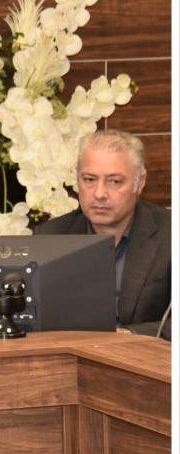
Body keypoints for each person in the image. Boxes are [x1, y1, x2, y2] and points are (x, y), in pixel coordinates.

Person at [36, 129, 170, 337]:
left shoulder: (170, 235)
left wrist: (127, 335)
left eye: (114, 181)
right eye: (89, 179)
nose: (99, 194)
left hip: (144, 354)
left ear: (140, 182)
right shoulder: (50, 237)